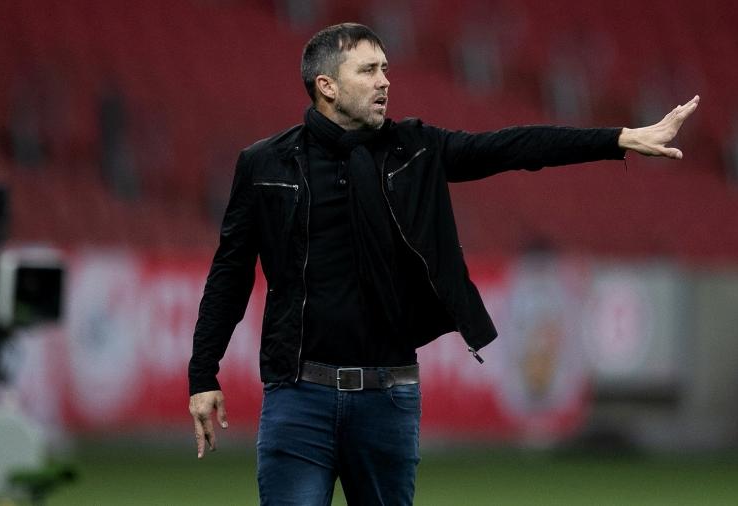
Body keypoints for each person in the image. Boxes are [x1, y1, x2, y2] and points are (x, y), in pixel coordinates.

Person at [189, 22, 699, 506]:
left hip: (386, 399)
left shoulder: (415, 149)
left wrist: (616, 139)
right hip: (298, 396)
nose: (385, 81)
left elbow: (511, 148)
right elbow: (230, 273)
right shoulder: (265, 165)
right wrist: (203, 374)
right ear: (326, 85)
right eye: (368, 70)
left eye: (385, 68)